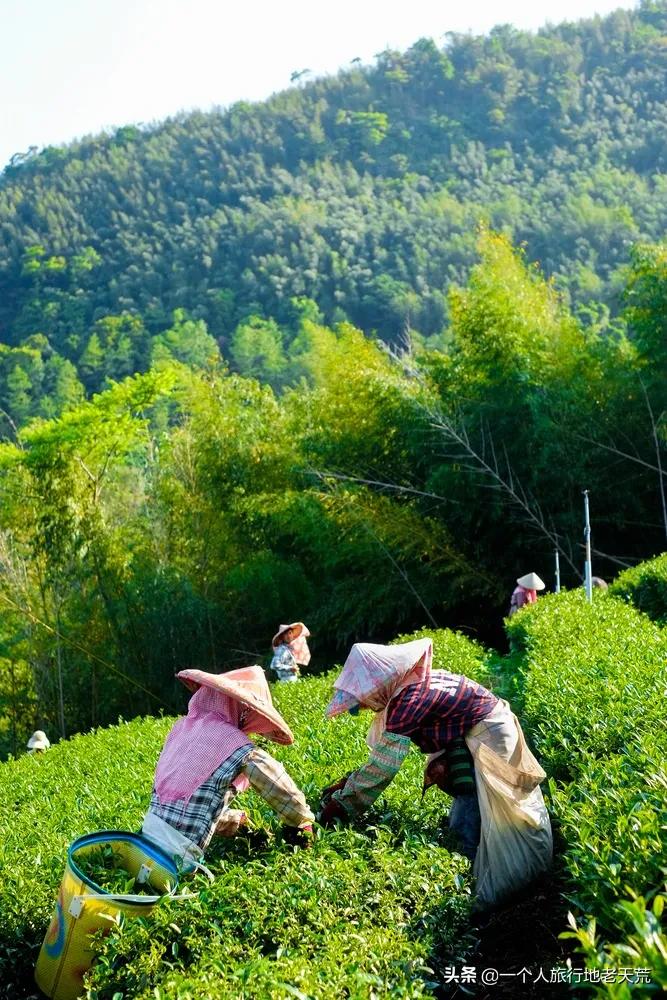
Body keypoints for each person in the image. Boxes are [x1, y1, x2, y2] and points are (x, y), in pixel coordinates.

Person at [318, 639, 552, 908]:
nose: (368, 707)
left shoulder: (408, 700)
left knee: (495, 806)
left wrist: (343, 804)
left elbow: (384, 767)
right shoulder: (412, 683)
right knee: (468, 800)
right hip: (472, 733)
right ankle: (475, 874)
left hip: (491, 735)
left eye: (366, 700)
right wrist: (348, 782)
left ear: (378, 685)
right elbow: (381, 756)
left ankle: (491, 888)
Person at [142, 665, 314, 867]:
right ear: (241, 709)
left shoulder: (180, 730)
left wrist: (236, 823)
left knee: (191, 796)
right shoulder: (234, 742)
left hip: (144, 841)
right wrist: (301, 820)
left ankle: (237, 825)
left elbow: (193, 801)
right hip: (179, 860)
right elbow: (276, 783)